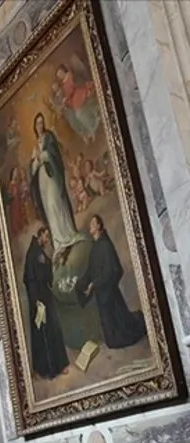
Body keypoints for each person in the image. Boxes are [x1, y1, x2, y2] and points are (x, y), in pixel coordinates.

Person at [76, 215, 148, 349]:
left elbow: (113, 270)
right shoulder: (95, 247)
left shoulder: (105, 245)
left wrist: (94, 284)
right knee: (110, 336)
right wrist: (81, 283)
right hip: (101, 291)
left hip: (109, 291)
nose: (90, 226)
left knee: (121, 330)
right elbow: (91, 270)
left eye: (93, 223)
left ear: (99, 226)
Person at [29, 113, 84, 264]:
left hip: (52, 177)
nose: (39, 126)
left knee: (56, 203)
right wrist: (35, 162)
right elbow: (32, 169)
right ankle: (59, 242)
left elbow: (54, 155)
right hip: (42, 181)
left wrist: (43, 156)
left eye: (41, 123)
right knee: (49, 209)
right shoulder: (35, 145)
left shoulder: (48, 137)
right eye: (37, 123)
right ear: (34, 127)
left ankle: (68, 234)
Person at [23, 226, 70, 379]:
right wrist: (36, 301)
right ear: (40, 235)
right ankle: (46, 369)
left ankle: (59, 365)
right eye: (46, 236)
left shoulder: (39, 252)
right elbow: (30, 280)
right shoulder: (33, 254)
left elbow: (47, 276)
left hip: (45, 296)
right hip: (38, 300)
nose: (48, 239)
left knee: (54, 329)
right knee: (42, 333)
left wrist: (53, 262)